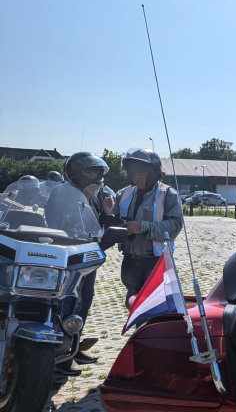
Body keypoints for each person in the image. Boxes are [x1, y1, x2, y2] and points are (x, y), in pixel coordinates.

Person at [47, 152, 113, 375]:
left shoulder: (93, 195)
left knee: (82, 304)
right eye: (89, 171)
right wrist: (81, 199)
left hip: (86, 260)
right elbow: (57, 224)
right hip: (66, 260)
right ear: (74, 172)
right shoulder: (61, 193)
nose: (95, 176)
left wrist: (107, 213)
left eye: (97, 172)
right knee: (65, 305)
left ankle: (73, 346)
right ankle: (58, 357)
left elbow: (96, 228)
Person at [111, 148, 183, 308]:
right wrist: (109, 218)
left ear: (153, 174)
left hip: (154, 261)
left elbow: (175, 226)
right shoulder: (122, 194)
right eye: (132, 173)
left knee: (153, 306)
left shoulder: (168, 194)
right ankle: (139, 332)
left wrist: (143, 227)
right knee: (132, 304)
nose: (136, 177)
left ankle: (150, 331)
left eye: (141, 173)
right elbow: (112, 220)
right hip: (129, 259)